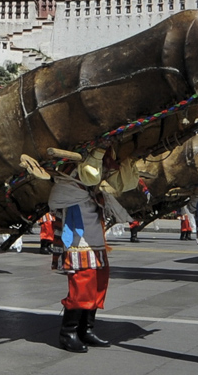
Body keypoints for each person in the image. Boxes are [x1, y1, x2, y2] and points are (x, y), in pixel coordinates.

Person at [48, 148, 129, 353]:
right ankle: (68, 334)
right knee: (81, 288)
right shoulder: (67, 185)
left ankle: (87, 329)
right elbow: (54, 203)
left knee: (98, 286)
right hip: (77, 243)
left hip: (96, 242)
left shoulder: (94, 189)